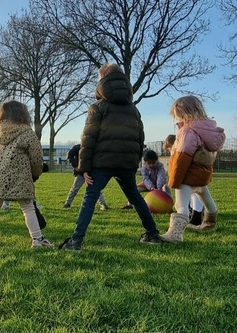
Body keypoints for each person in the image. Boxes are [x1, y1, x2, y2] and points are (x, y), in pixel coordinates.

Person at [59, 63, 162, 251]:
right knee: (136, 198)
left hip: (101, 163)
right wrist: (134, 162)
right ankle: (153, 234)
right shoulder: (133, 109)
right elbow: (140, 138)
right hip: (126, 163)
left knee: (90, 198)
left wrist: (84, 168)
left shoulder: (98, 107)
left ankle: (76, 241)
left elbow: (88, 139)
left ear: (102, 80)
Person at [0, 100, 53, 248]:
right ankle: (37, 240)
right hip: (20, 176)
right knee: (27, 207)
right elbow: (36, 159)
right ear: (22, 114)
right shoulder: (27, 133)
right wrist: (36, 174)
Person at [160, 96, 225, 242]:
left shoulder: (188, 132)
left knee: (181, 204)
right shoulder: (210, 131)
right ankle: (209, 223)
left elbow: (181, 157)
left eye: (178, 118)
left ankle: (175, 234)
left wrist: (174, 179)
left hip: (187, 177)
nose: (178, 121)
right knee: (207, 201)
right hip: (201, 176)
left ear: (186, 115)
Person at [163, 134, 204, 228]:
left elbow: (179, 168)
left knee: (195, 195)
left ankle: (196, 217)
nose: (169, 152)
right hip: (194, 176)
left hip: (192, 177)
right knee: (194, 195)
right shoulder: (184, 150)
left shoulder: (180, 153)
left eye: (169, 149)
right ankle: (195, 214)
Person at [62, 144, 109, 210]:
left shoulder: (95, 148)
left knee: (94, 188)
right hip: (81, 172)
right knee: (75, 188)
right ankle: (67, 203)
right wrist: (76, 166)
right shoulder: (78, 147)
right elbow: (69, 155)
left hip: (91, 171)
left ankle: (103, 204)